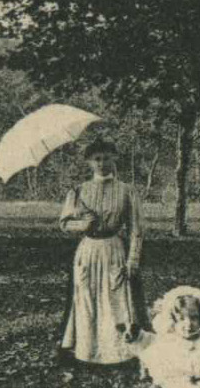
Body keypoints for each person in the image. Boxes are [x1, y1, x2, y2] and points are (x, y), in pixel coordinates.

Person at [56, 138, 144, 369]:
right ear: (89, 162)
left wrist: (133, 259)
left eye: (106, 158)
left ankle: (117, 354)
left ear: (114, 158)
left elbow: (136, 230)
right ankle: (87, 353)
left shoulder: (126, 191)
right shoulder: (79, 191)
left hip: (113, 249)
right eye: (97, 159)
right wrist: (82, 225)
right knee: (86, 301)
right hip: (88, 251)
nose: (102, 163)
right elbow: (64, 223)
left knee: (115, 300)